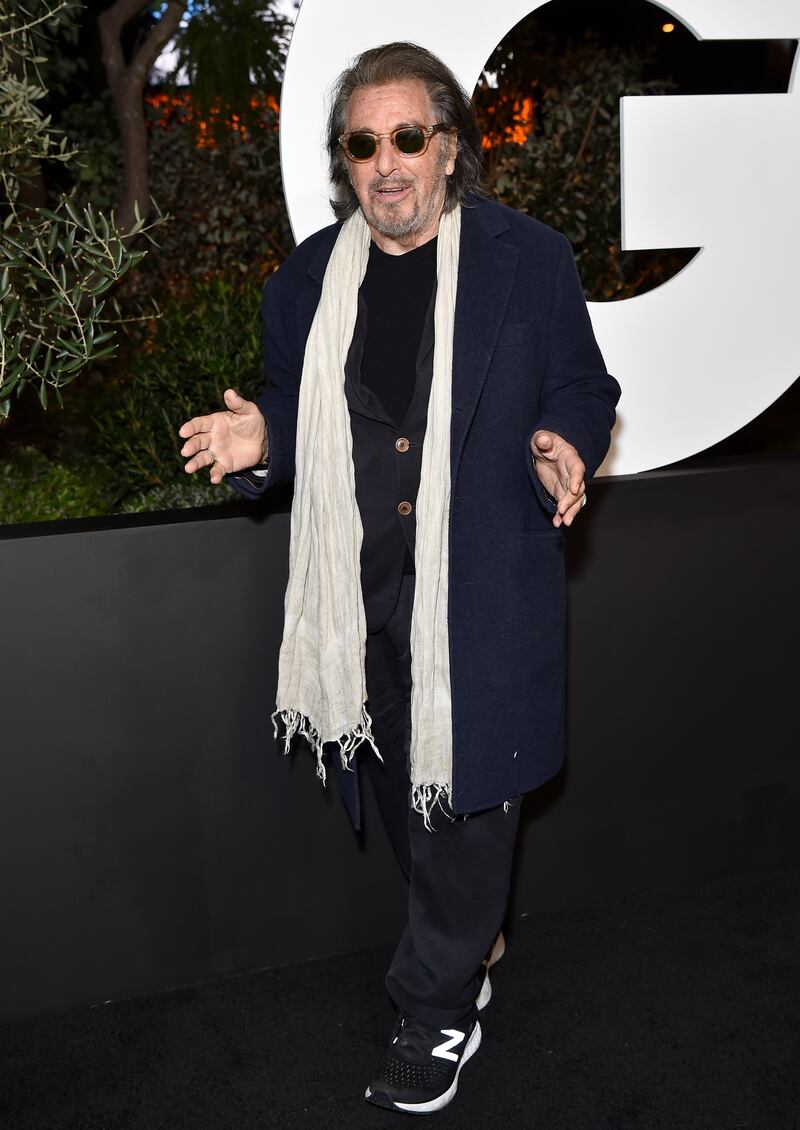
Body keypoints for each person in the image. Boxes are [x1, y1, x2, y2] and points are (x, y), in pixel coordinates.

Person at [179, 41, 620, 1116]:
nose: (386, 163)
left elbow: (581, 384)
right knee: (409, 794)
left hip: (480, 588)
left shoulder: (530, 259)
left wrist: (563, 441)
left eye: (407, 137)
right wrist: (262, 439)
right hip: (361, 601)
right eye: (363, 143)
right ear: (344, 160)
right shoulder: (302, 285)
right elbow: (295, 412)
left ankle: (434, 1009)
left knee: (468, 804)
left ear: (449, 148)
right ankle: (470, 935)